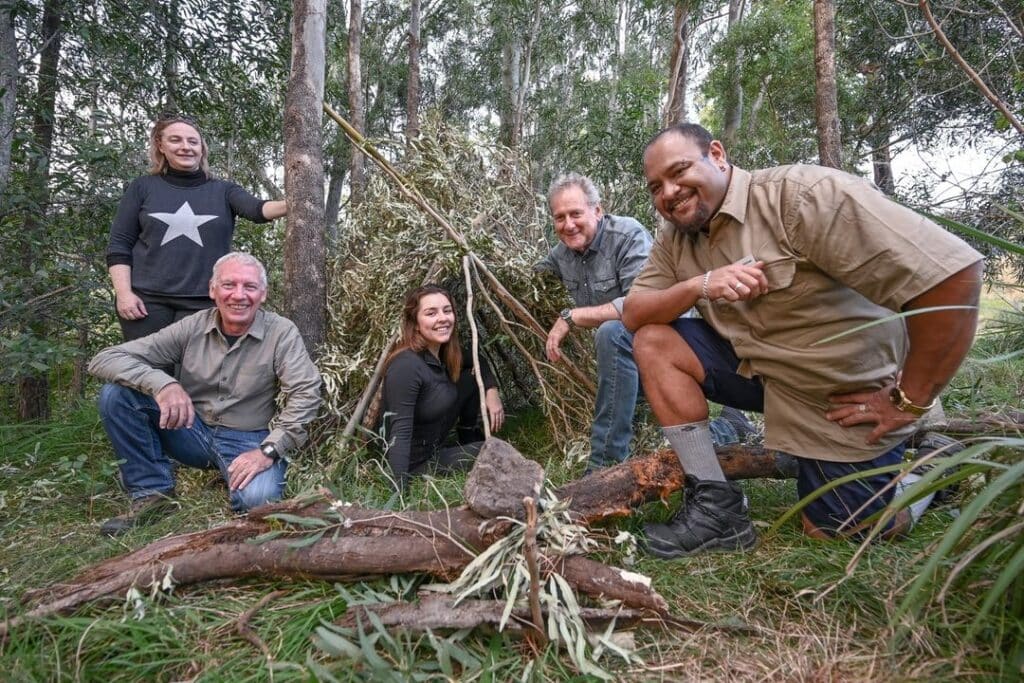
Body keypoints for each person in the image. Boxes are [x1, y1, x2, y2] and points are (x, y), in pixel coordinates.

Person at [623, 123, 983, 558]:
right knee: (654, 340)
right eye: (655, 187)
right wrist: (699, 285)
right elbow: (634, 313)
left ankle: (932, 467)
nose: (669, 192)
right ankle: (718, 507)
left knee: (839, 530)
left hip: (838, 395)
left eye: (679, 171)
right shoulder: (676, 239)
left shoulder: (802, 196)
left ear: (717, 154)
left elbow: (954, 277)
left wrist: (911, 398)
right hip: (763, 375)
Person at [89, 252, 321, 536]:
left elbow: (306, 392)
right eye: (229, 285)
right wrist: (163, 384)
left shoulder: (281, 332)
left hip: (248, 439)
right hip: (189, 430)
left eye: (249, 287)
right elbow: (106, 359)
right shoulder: (193, 326)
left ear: (263, 294)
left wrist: (269, 450)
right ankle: (153, 494)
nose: (239, 295)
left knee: (258, 502)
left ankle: (235, 475)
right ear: (212, 290)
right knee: (116, 395)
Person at [536, 173, 752, 472]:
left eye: (575, 213)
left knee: (611, 332)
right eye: (559, 218)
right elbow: (530, 280)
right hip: (624, 360)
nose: (568, 224)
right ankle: (731, 426)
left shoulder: (628, 236)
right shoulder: (562, 255)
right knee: (653, 441)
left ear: (597, 210)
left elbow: (641, 305)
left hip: (666, 341)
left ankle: (604, 466)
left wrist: (572, 317)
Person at [107, 113, 288, 340]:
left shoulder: (224, 190)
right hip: (146, 302)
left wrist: (299, 203)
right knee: (146, 373)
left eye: (193, 142)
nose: (185, 147)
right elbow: (119, 246)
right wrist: (124, 294)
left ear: (202, 149)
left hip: (203, 302)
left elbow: (258, 210)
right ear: (160, 146)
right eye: (175, 140)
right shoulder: (142, 187)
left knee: (197, 374)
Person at [381, 284, 504, 491]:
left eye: (447, 311)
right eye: (431, 313)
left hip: (436, 444)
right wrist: (398, 495)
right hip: (417, 463)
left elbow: (477, 359)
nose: (442, 318)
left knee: (469, 379)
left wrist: (491, 390)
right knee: (496, 452)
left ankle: (467, 437)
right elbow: (399, 434)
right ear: (416, 323)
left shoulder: (443, 353)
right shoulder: (406, 366)